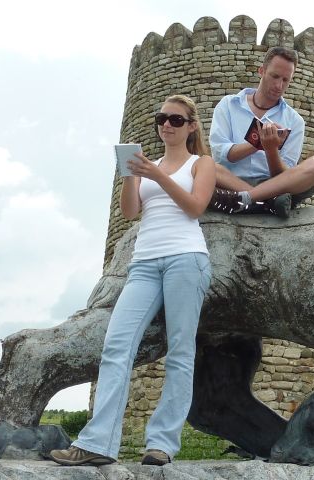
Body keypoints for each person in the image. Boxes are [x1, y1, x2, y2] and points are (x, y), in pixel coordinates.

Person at [49, 94, 215, 467]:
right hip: (143, 263)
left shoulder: (200, 163)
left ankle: (161, 444)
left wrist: (157, 176)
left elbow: (195, 207)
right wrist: (131, 175)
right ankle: (98, 443)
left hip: (186, 259)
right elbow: (130, 212)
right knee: (116, 346)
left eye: (175, 119)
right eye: (162, 118)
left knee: (180, 352)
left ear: (191, 126)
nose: (166, 125)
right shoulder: (150, 165)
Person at [208, 46, 314, 218]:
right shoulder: (228, 105)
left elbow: (285, 176)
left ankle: (250, 199)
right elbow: (221, 155)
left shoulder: (294, 121)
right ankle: (266, 202)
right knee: (204, 164)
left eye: (285, 80)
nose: (279, 85)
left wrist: (271, 150)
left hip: (274, 185)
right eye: (274, 76)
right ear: (262, 71)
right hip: (230, 182)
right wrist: (257, 145)